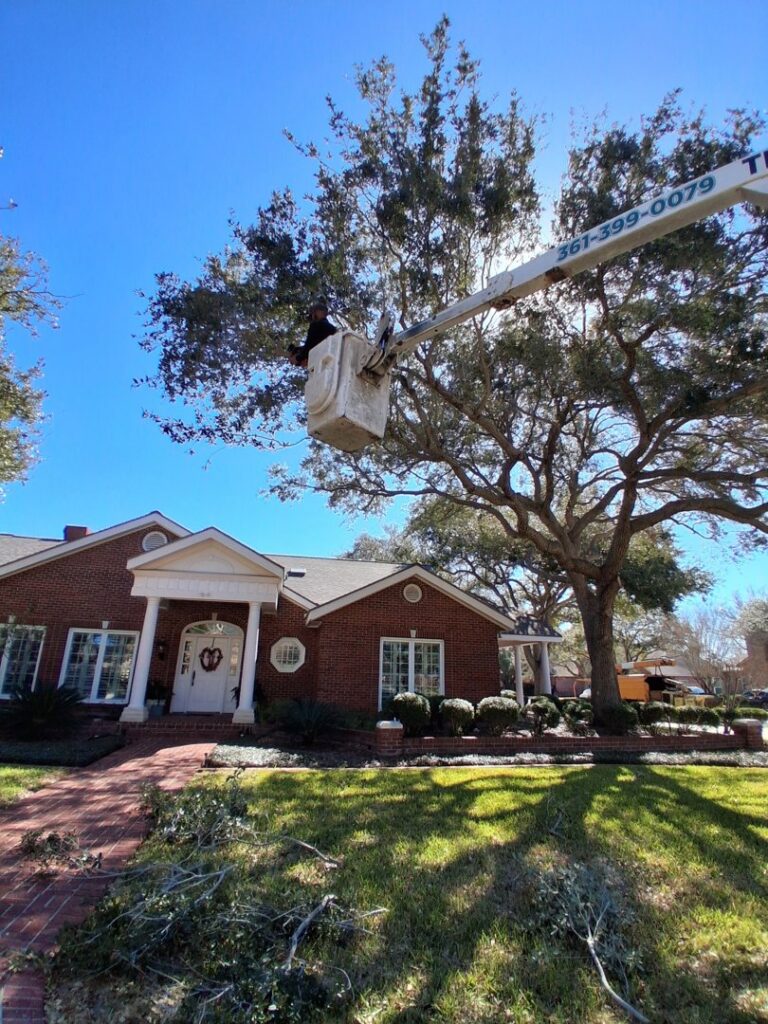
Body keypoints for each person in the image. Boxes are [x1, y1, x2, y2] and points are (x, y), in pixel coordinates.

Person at [287, 299, 337, 367]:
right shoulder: (333, 329)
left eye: (313, 313)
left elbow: (309, 345)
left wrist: (298, 358)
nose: (312, 317)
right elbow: (315, 344)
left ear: (318, 312)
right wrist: (298, 351)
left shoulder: (316, 325)